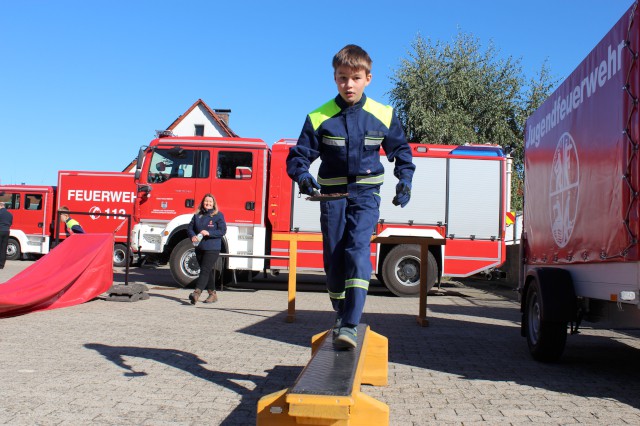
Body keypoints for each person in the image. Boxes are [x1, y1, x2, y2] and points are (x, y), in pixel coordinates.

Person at [286, 44, 415, 350]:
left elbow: (402, 153)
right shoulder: (319, 117)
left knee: (357, 252)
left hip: (366, 196)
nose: (349, 84)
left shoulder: (383, 114)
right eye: (342, 78)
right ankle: (340, 310)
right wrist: (303, 178)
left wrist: (404, 181)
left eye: (355, 78)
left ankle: (350, 324)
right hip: (331, 197)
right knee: (333, 261)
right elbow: (298, 157)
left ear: (368, 78)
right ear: (335, 79)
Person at [187, 193, 227, 305]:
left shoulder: (218, 215)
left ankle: (196, 293)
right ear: (203, 203)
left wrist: (209, 232)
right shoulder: (197, 215)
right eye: (206, 201)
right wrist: (192, 236)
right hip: (199, 247)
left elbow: (222, 231)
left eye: (210, 202)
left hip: (212, 248)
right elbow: (190, 228)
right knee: (207, 270)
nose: (208, 203)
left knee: (204, 269)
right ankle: (212, 294)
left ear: (213, 203)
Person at [0, 202, 13, 269]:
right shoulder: (10, 214)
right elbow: (10, 223)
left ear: (1, 206)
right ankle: (1, 264)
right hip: (7, 231)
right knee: (4, 248)